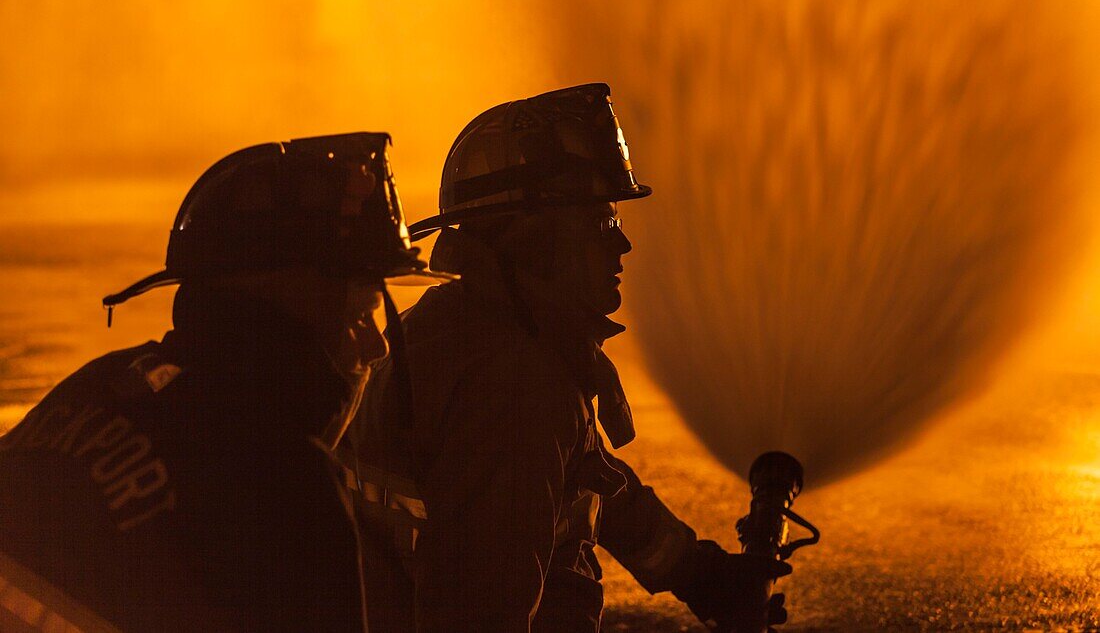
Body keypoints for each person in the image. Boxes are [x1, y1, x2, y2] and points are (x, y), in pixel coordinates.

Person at [339, 84, 790, 632]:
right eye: (601, 224)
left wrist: (702, 575)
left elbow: (588, 482)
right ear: (531, 237)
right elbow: (485, 614)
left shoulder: (461, 328)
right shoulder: (515, 386)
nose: (621, 246)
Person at [0, 132, 447, 632]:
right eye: (361, 314)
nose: (378, 346)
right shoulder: (284, 489)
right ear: (291, 319)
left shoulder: (97, 387)